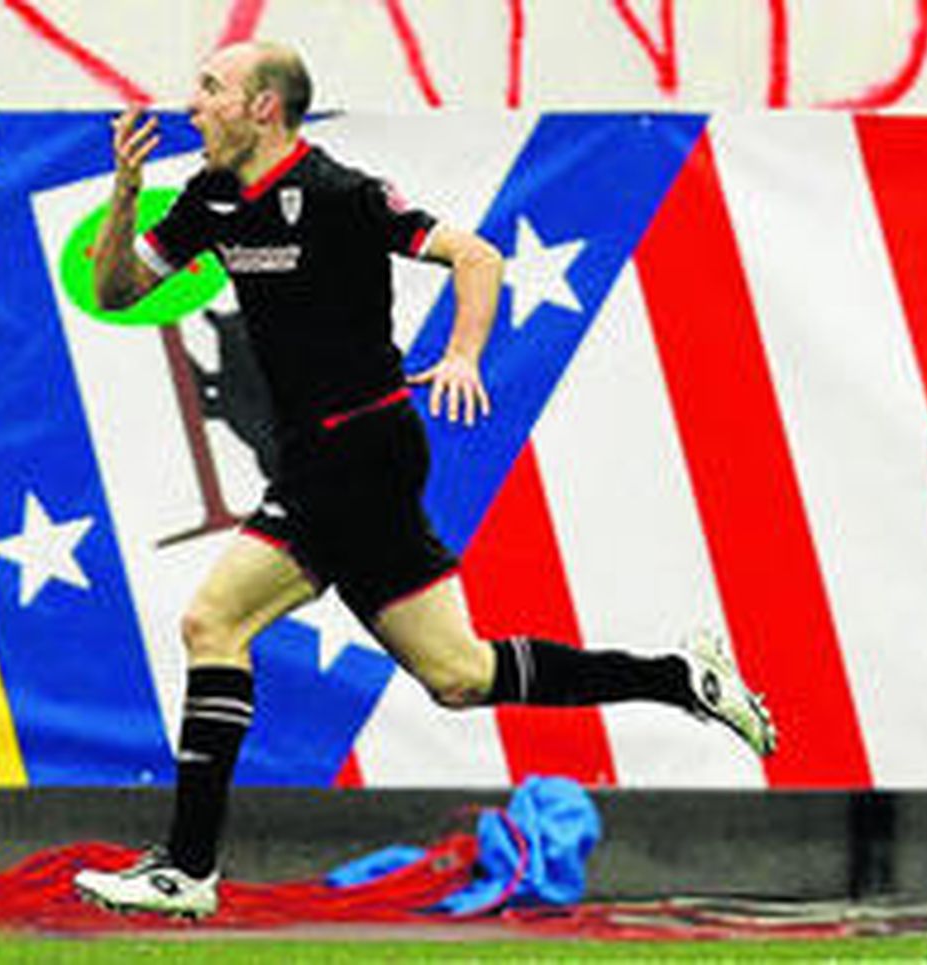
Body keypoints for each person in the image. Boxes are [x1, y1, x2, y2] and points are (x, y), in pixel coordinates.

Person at [72, 41, 777, 919]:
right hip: (327, 457)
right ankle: (678, 678)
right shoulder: (212, 198)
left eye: (212, 89)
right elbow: (117, 288)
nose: (193, 104)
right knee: (459, 676)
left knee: (212, 620)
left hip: (357, 448)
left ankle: (186, 865)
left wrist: (463, 356)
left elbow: (477, 256)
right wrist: (128, 189)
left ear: (264, 108)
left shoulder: (341, 194)